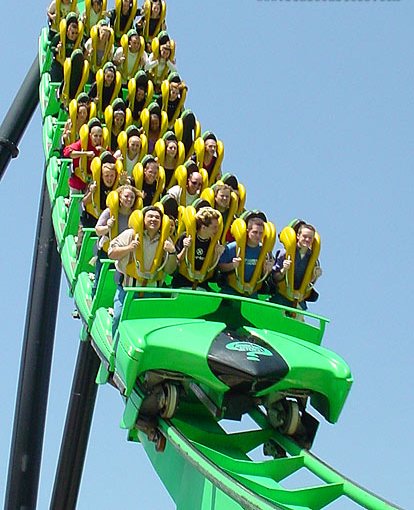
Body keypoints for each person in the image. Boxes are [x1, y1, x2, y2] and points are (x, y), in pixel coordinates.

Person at [108, 206, 177, 336]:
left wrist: (172, 252)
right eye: (150, 216)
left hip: (152, 291)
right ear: (143, 219)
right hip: (129, 289)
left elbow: (170, 269)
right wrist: (129, 248)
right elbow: (111, 253)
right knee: (118, 317)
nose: (154, 219)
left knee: (152, 326)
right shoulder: (130, 234)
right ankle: (115, 348)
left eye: (157, 217)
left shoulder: (166, 240)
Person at [270, 222, 322, 316]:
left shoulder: (313, 260)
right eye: (305, 236)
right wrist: (283, 270)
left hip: (298, 300)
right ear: (298, 236)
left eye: (310, 238)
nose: (307, 240)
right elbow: (274, 278)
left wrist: (315, 277)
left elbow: (309, 284)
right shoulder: (284, 253)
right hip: (282, 296)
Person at [218, 214, 275, 297]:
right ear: (247, 231)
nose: (258, 236)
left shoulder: (264, 251)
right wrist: (232, 265)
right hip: (231, 289)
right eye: (255, 232)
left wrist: (267, 270)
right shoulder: (233, 247)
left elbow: (264, 276)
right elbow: (219, 267)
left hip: (251, 291)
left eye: (260, 233)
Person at [172, 207, 224, 290]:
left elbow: (211, 268)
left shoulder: (215, 243)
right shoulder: (185, 237)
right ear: (203, 228)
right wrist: (185, 248)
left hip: (202, 284)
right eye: (214, 227)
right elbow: (176, 261)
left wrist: (217, 254)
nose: (217, 230)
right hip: (182, 282)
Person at [63, 118, 104, 194]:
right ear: (90, 135)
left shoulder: (102, 145)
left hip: (92, 183)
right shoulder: (83, 143)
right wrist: (85, 153)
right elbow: (67, 152)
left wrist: (103, 151)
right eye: (95, 136)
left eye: (100, 136)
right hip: (77, 181)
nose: (98, 138)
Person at [49, 12, 82, 82]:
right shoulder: (60, 36)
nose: (74, 36)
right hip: (59, 63)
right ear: (68, 31)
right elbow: (51, 46)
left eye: (76, 33)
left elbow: (84, 51)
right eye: (72, 33)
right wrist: (57, 49)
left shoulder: (78, 40)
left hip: (70, 65)